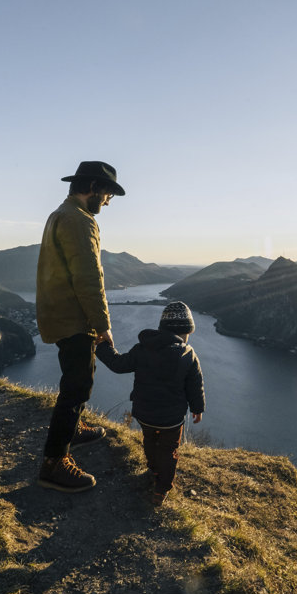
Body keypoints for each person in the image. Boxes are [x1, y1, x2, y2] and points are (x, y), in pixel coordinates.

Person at [35, 160, 124, 493]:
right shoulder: (79, 220)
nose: (108, 202)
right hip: (74, 317)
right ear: (94, 188)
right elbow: (89, 278)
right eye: (108, 194)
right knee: (77, 386)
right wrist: (103, 325)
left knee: (75, 380)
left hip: (59, 311)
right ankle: (54, 463)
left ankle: (72, 429)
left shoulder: (60, 213)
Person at [96, 301, 206, 506]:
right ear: (184, 332)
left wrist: (101, 347)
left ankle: (153, 469)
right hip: (171, 419)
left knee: (149, 441)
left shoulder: (143, 349)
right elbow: (195, 385)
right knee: (168, 450)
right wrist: (198, 409)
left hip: (144, 413)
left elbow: (118, 364)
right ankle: (162, 487)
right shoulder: (188, 354)